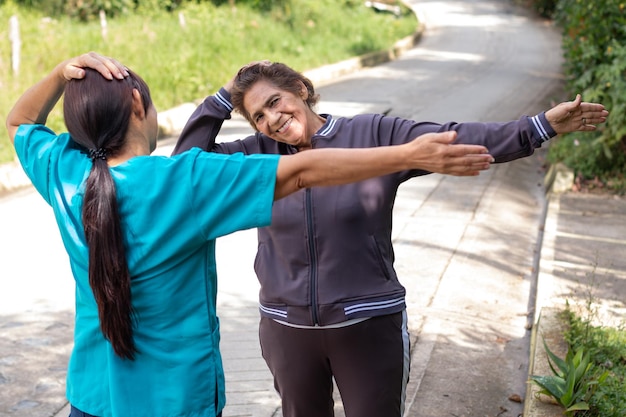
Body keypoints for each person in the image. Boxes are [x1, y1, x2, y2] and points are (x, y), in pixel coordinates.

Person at [5, 53, 497, 417]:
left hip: (89, 398)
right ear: (138, 103)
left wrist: (59, 74)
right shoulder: (184, 181)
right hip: (174, 400)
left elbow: (21, 121)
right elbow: (302, 171)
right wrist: (408, 155)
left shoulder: (65, 174)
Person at [171, 61, 609, 417]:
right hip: (287, 329)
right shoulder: (252, 155)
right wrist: (221, 98)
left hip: (368, 323)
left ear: (301, 90)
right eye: (258, 116)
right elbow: (185, 167)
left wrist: (538, 127)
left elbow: (456, 137)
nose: (272, 120)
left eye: (275, 102)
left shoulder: (371, 134)